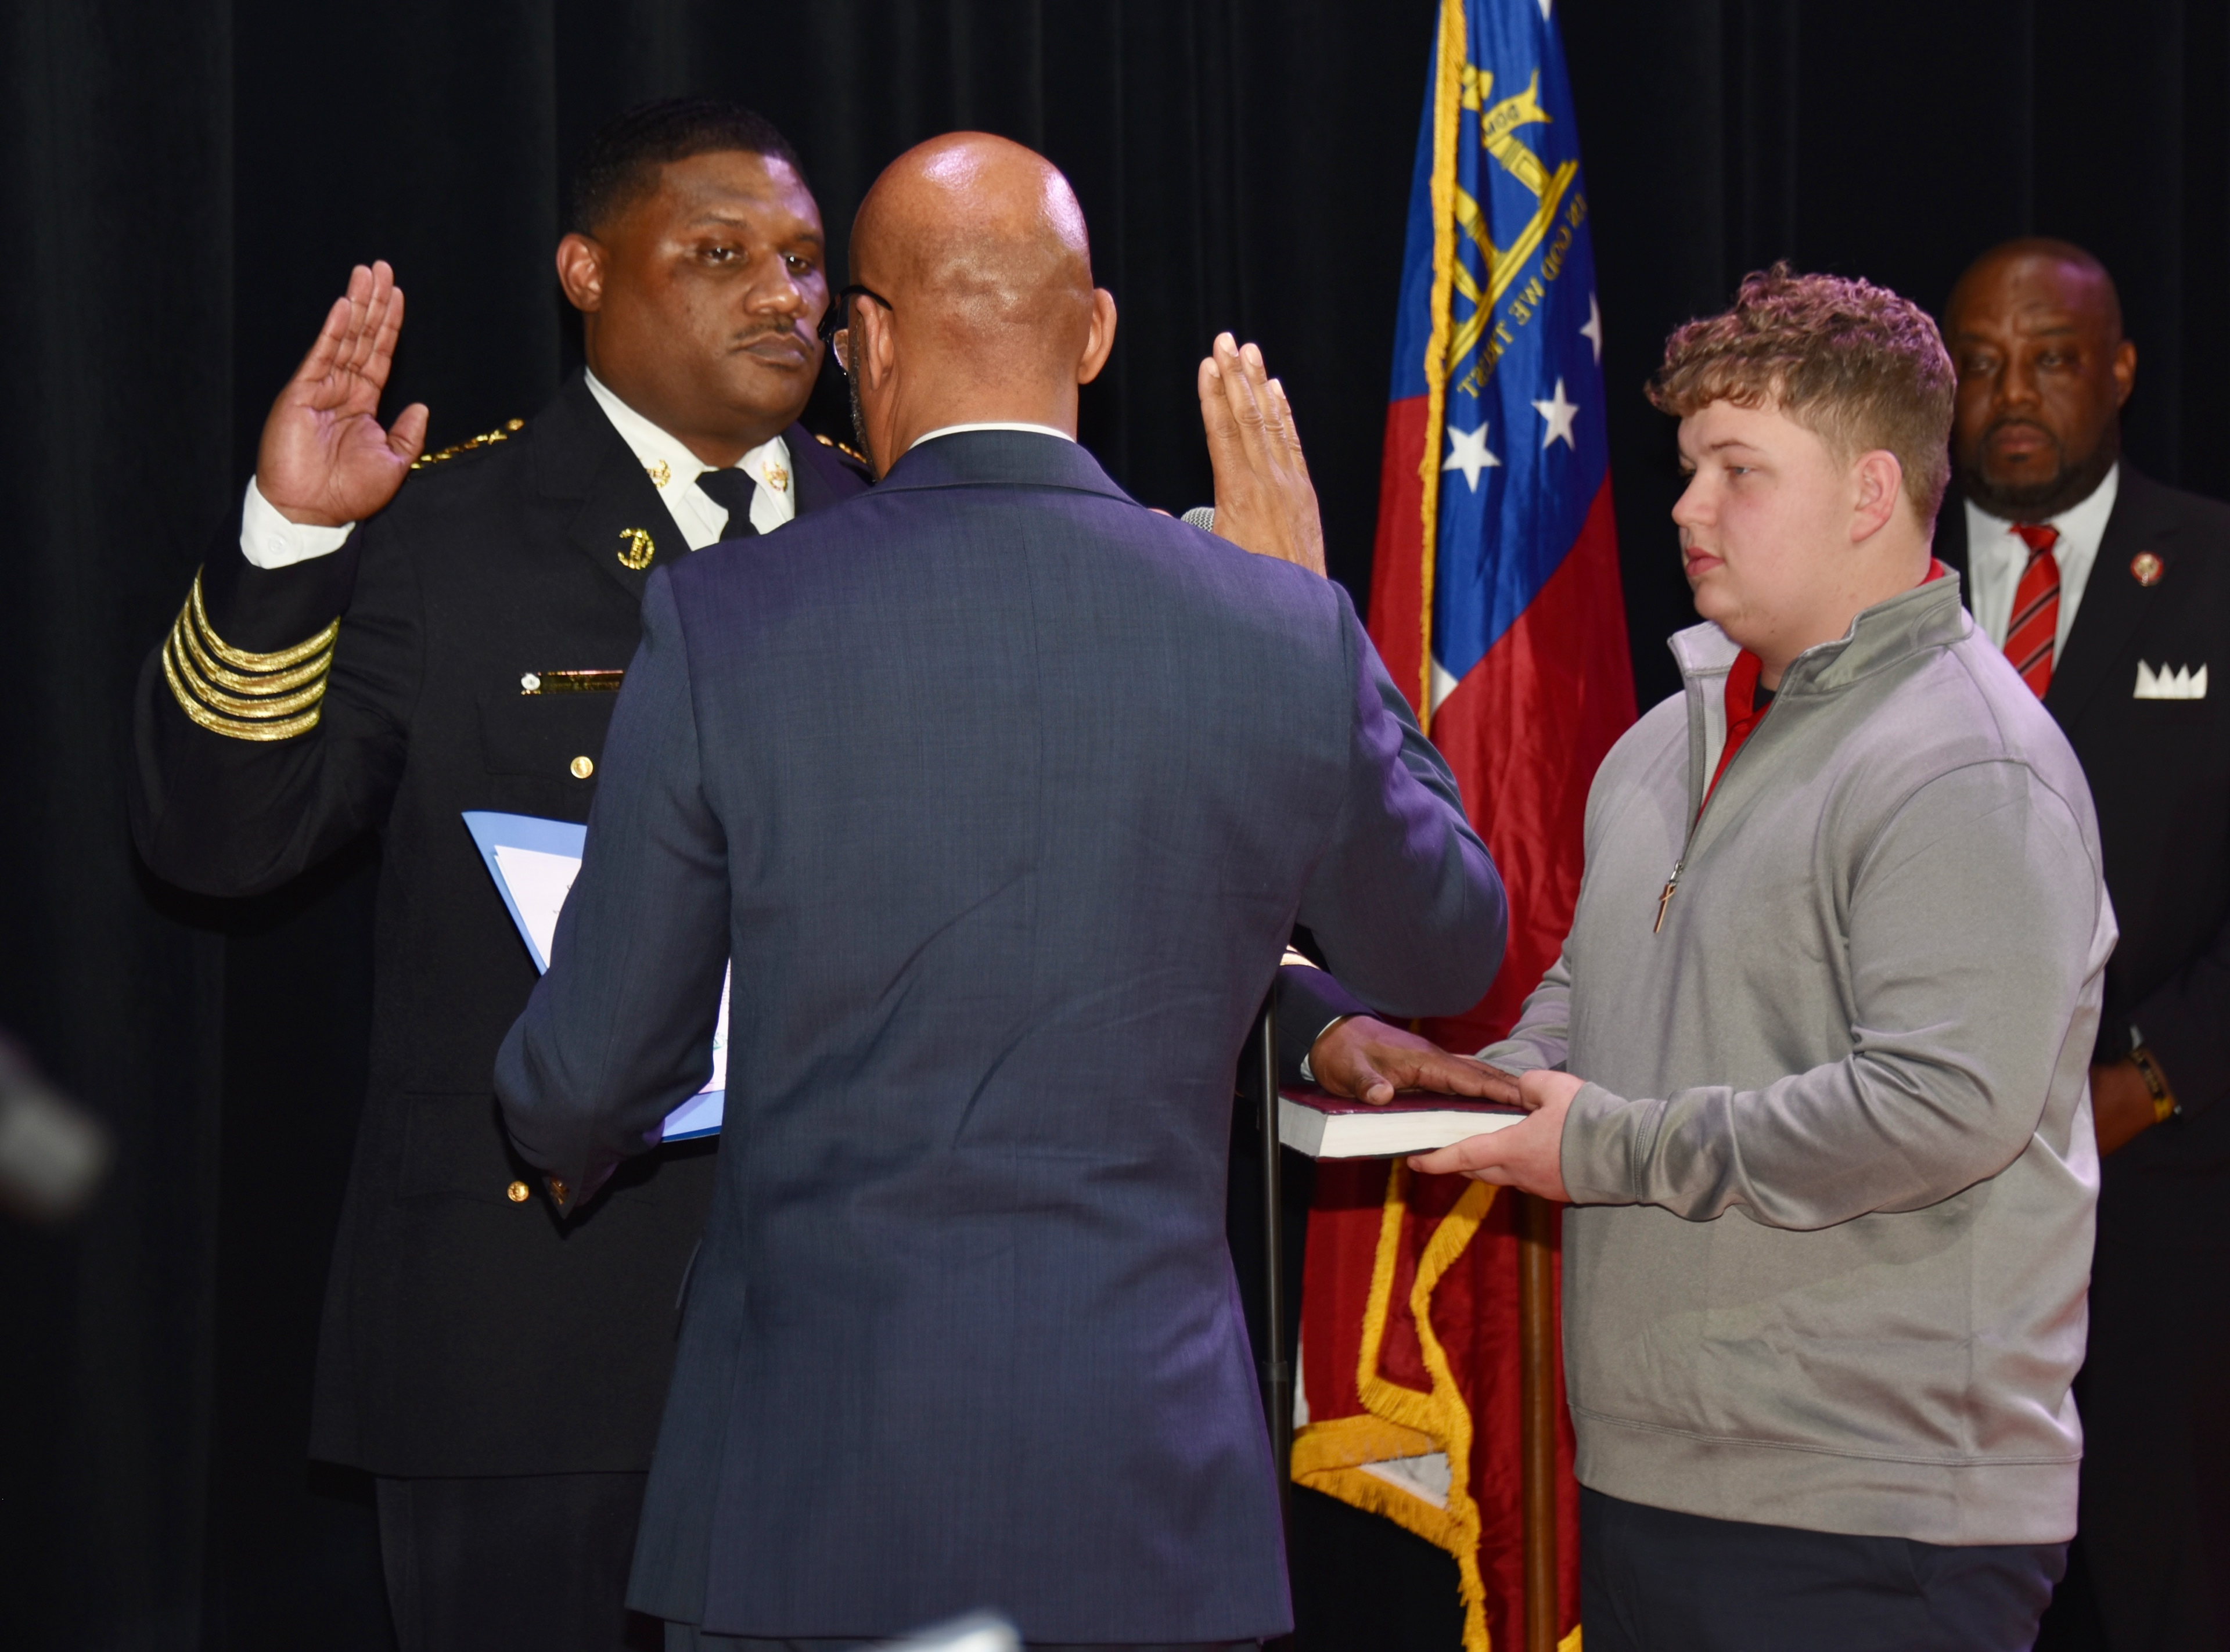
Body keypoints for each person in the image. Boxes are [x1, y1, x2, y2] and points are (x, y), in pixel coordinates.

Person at [493, 131, 1509, 1650]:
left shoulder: (727, 624)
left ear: (868, 340)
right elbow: (1448, 934)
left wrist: (545, 1115)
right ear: (1094, 334)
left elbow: (592, 1070)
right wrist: (1315, 606)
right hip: (1145, 1504)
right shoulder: (1271, 633)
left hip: (805, 1503)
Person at [129, 99, 870, 1651]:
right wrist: (285, 542)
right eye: (720, 253)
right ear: (586, 273)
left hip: (863, 1341)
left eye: (805, 260)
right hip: (532, 1336)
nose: (782, 295)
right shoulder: (446, 532)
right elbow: (218, 840)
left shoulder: (904, 535)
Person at [1391, 265, 2113, 1651]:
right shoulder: (1659, 745)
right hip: (1657, 1480)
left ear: (1868, 492)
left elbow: (1940, 1108)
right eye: (1685, 466)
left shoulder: (1970, 761)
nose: (1685, 507)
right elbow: (1585, 1001)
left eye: (1738, 470)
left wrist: (1599, 1147)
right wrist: (1470, 1093)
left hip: (1880, 1519)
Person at [1936, 238, 2230, 1652]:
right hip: (1921, 1212)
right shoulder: (1875, 582)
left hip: (2169, 1197)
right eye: (1979, 363)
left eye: (2048, 358)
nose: (2010, 394)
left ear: (2116, 370)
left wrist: (2152, 1078)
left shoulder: (2220, 568)